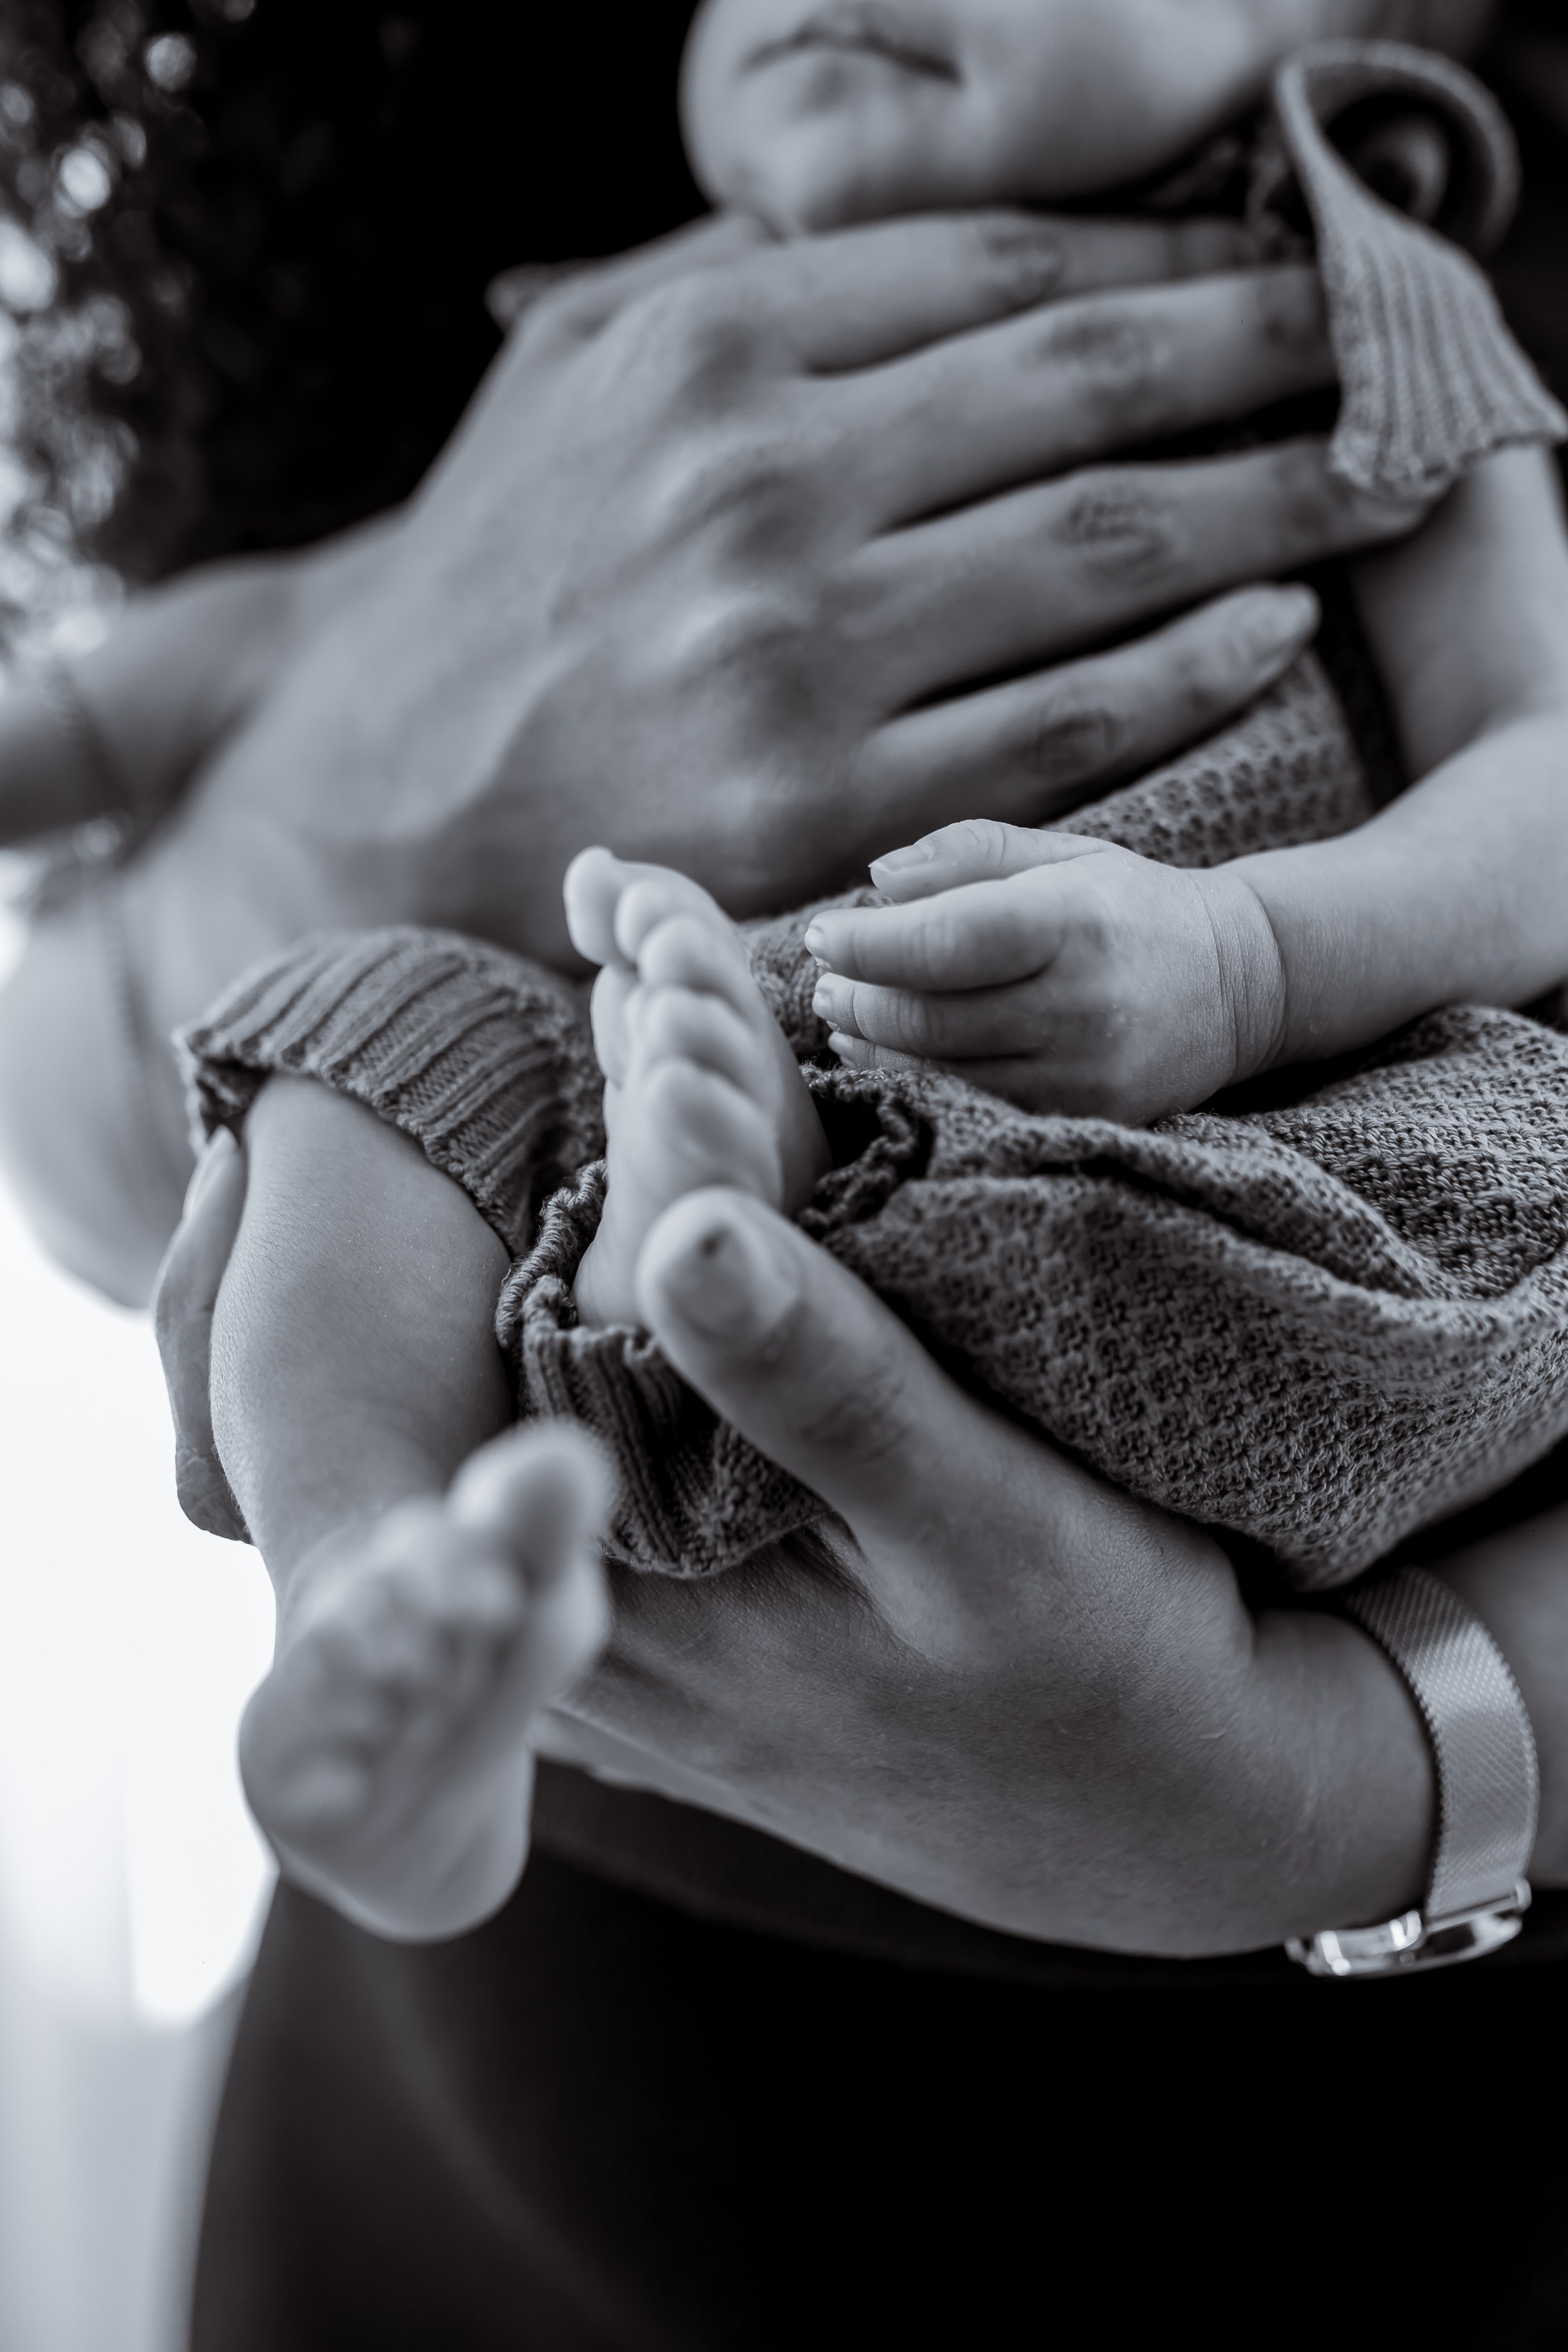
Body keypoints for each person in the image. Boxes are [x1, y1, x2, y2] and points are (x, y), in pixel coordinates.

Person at [5, 2, 1568, 2341]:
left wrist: (1243, 961)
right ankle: (384, 1619)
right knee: (344, 1082)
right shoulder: (623, 317)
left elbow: (1544, 783)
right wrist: (137, 773)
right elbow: (247, 698)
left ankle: (737, 1209)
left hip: (1176, 1166)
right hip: (447, 2159)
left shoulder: (1362, 316)